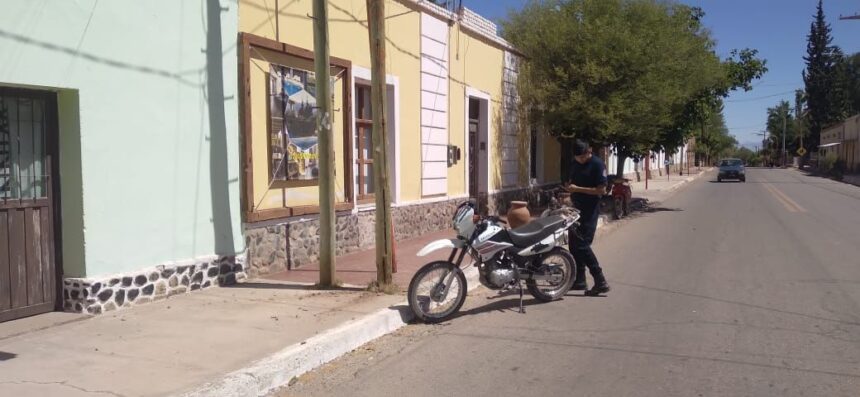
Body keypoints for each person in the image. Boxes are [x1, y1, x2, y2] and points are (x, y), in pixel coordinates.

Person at [566, 139, 610, 296]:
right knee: (573, 245)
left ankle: (600, 280)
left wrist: (578, 189)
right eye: (578, 157)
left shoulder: (598, 165)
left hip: (590, 209)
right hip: (575, 209)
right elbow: (572, 182)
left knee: (582, 245)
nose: (581, 160)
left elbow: (601, 190)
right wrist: (568, 193)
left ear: (589, 151)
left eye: (583, 156)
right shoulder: (575, 164)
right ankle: (579, 280)